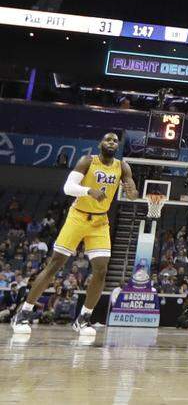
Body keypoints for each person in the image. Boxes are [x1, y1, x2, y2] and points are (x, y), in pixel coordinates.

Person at [12, 132, 137, 337]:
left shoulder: (123, 167)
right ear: (100, 144)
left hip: (100, 221)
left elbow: (133, 194)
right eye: (108, 139)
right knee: (55, 264)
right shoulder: (87, 161)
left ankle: (83, 319)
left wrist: (132, 193)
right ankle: (24, 312)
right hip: (78, 216)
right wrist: (89, 191)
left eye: (115, 140)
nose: (112, 142)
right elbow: (68, 187)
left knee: (101, 270)